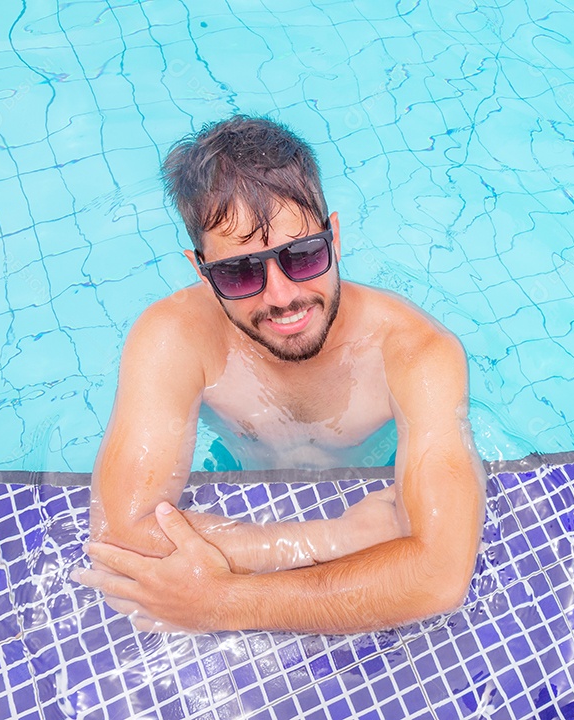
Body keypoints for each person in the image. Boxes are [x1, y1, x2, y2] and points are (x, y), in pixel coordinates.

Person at [72, 115, 486, 635]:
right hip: (289, 501)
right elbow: (121, 536)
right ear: (201, 271)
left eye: (303, 256)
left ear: (334, 236)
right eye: (239, 272)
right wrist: (332, 539)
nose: (282, 296)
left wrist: (224, 602)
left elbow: (442, 574)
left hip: (364, 482)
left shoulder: (417, 353)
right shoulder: (173, 337)